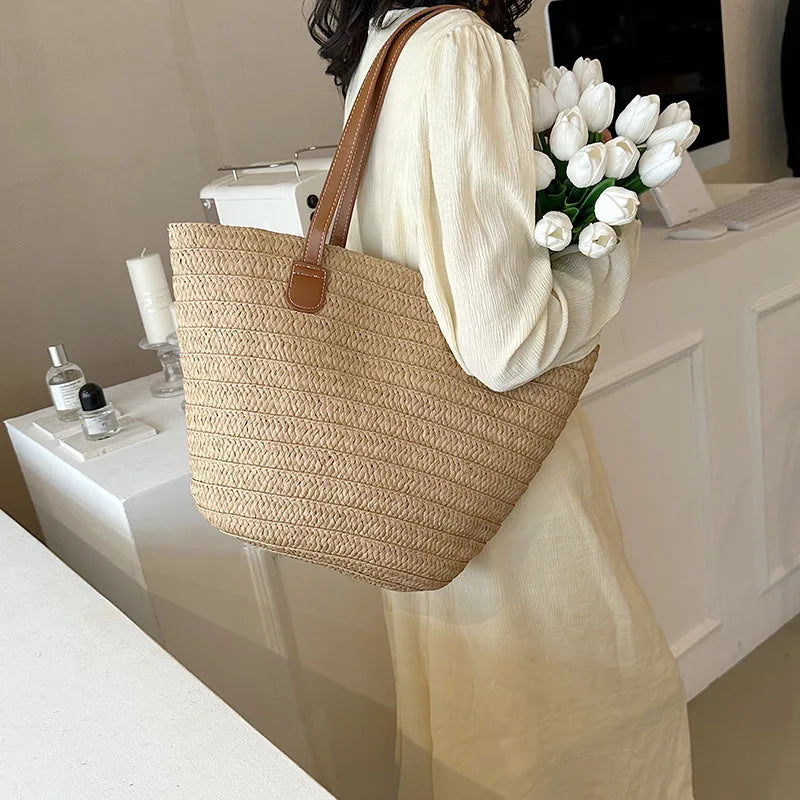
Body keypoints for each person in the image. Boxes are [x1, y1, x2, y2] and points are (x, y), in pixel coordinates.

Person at [308, 3, 695, 798]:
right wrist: (608, 246)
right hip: (507, 478)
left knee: (482, 727)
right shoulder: (463, 48)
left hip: (421, 470)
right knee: (597, 713)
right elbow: (507, 345)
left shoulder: (385, 41)